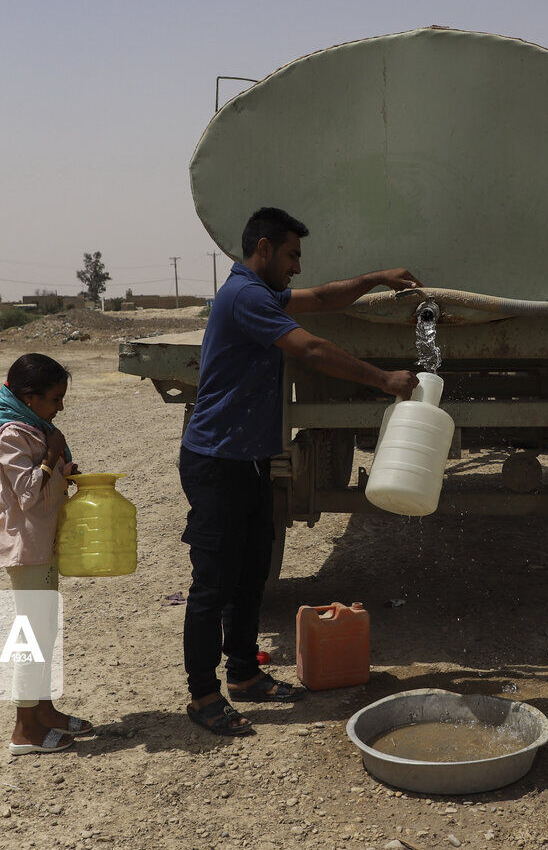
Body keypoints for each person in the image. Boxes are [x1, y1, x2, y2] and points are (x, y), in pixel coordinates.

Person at [181, 206, 419, 735]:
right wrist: (384, 380)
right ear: (263, 248)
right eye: (292, 255)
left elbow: (326, 299)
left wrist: (376, 277)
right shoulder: (245, 296)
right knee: (213, 584)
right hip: (216, 461)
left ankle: (244, 674)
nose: (297, 267)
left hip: (248, 459)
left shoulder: (261, 292)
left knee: (250, 575)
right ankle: (203, 696)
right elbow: (310, 347)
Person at [0, 353, 94, 754]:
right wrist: (51, 454)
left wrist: (64, 471)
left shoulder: (35, 427)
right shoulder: (12, 433)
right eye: (55, 399)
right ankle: (24, 729)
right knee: (32, 636)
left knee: (46, 632)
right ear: (30, 398)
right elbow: (27, 492)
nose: (60, 407)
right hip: (27, 549)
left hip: (44, 544)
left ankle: (44, 710)